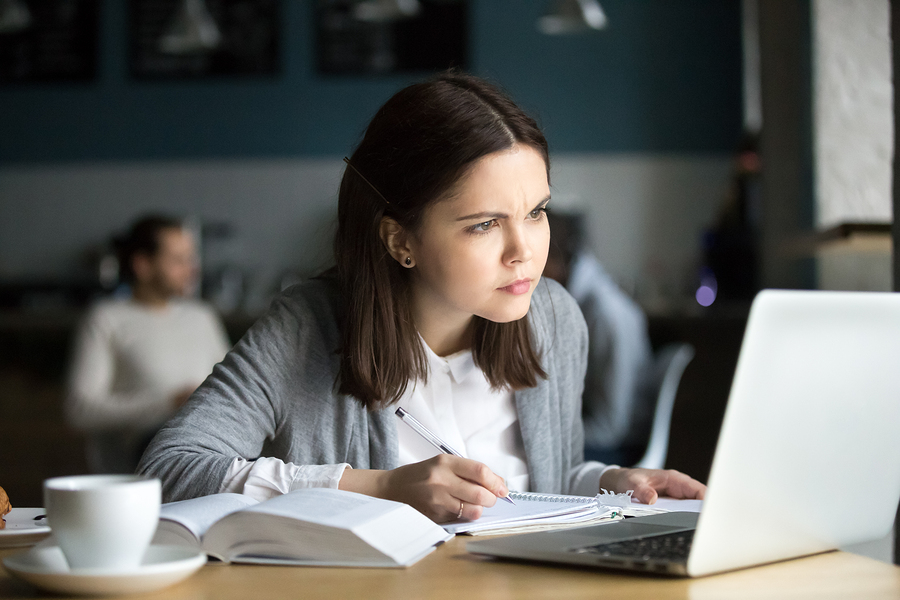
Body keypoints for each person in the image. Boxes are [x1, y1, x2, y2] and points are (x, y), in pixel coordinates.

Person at [138, 72, 705, 522]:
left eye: (535, 213)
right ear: (400, 238)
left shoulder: (553, 316)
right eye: (484, 224)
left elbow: (543, 487)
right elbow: (169, 471)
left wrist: (609, 483)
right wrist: (377, 488)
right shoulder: (308, 326)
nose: (523, 252)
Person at [66, 215, 231, 474]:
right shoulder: (106, 319)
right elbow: (80, 410)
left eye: (190, 258)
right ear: (143, 265)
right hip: (141, 461)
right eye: (178, 261)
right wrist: (169, 403)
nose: (192, 269)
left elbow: (231, 387)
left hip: (212, 444)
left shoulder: (202, 317)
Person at [544, 211, 656, 466]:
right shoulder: (576, 303)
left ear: (556, 260)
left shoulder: (606, 315)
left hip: (618, 450)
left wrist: (542, 437)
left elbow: (610, 428)